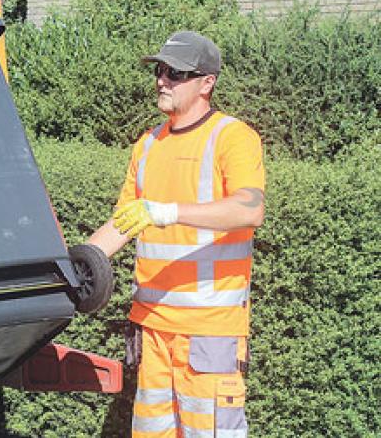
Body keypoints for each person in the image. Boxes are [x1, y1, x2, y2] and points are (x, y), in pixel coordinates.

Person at [86, 31, 265, 438]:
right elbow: (122, 225)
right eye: (160, 70)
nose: (162, 80)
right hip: (152, 331)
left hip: (209, 335)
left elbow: (250, 209)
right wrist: (72, 267)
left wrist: (168, 212)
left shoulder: (232, 138)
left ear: (207, 83)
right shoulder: (147, 145)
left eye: (176, 73)